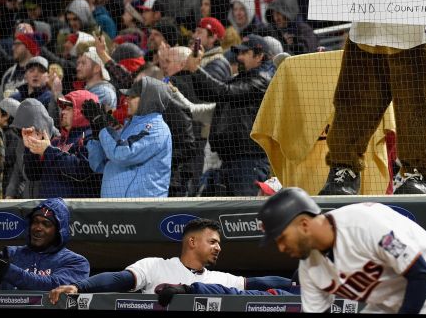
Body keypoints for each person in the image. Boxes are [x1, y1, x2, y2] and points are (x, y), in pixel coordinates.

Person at [257, 187, 426, 314]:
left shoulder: (365, 224)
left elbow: (422, 275)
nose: (281, 247)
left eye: (282, 238)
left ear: (304, 224)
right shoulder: (309, 268)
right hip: (389, 303)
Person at [48, 218, 292, 302]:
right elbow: (119, 279)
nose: (219, 247)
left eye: (219, 243)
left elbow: (259, 283)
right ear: (192, 241)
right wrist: (80, 286)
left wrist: (295, 283)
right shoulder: (156, 265)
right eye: (213, 241)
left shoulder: (220, 279)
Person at [185, 34, 276, 196]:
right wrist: (195, 69)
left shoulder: (263, 79)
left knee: (244, 209)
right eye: (239, 53)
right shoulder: (244, 77)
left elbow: (223, 92)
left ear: (259, 56)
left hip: (249, 161)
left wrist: (196, 70)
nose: (239, 57)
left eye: (245, 53)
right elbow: (208, 94)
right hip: (230, 159)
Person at [85, 76, 172, 198]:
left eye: (133, 97)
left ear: (147, 100)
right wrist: (97, 133)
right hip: (116, 206)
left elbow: (123, 155)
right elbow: (99, 165)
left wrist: (103, 129)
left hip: (142, 207)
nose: (127, 100)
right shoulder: (129, 127)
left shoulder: (157, 129)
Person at [0, 197, 89, 290]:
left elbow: (52, 285)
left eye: (46, 224)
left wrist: (7, 270)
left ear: (58, 231)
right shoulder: (10, 253)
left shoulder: (76, 262)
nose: (38, 228)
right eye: (35, 222)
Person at [21, 90, 101, 198]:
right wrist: (32, 147)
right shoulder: (56, 141)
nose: (63, 112)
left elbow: (82, 171)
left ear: (81, 111)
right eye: (63, 108)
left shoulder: (93, 138)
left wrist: (48, 151)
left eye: (68, 108)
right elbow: (33, 175)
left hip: (76, 207)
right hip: (49, 205)